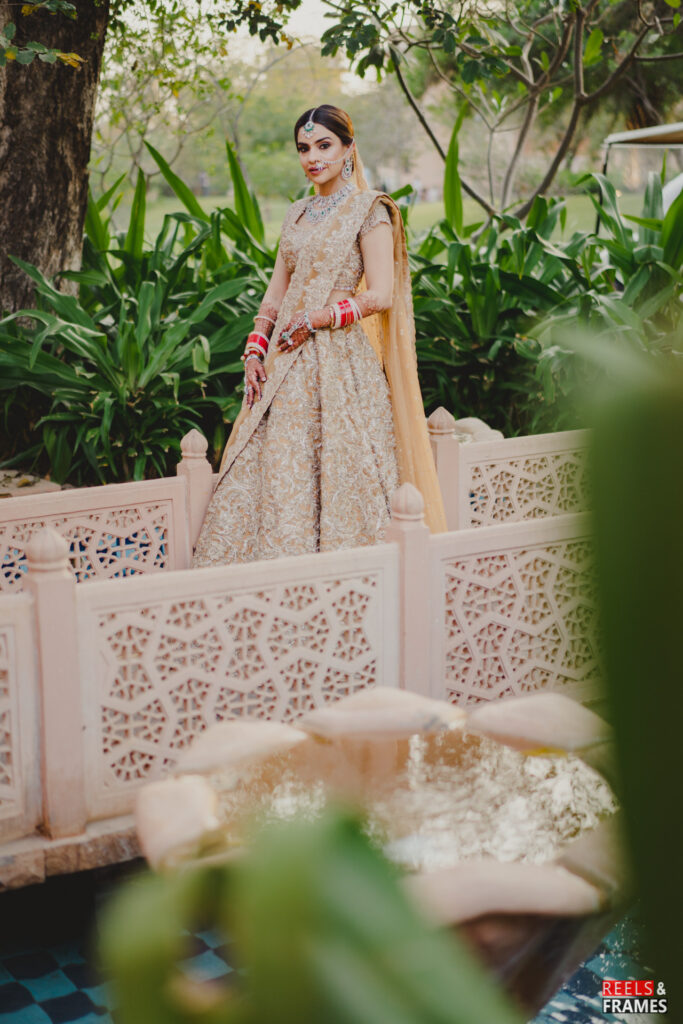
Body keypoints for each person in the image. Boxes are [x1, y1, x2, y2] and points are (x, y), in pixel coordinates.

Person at [192, 104, 446, 567]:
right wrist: (254, 351)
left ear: (349, 149)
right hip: (284, 360)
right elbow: (275, 292)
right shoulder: (297, 213)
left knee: (340, 468)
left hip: (339, 362)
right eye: (304, 149)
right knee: (277, 467)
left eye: (324, 145)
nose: (313, 157)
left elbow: (383, 294)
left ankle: (347, 577)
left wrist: (319, 318)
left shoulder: (371, 211)